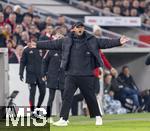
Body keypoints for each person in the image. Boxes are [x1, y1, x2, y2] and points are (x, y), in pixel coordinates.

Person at [30, 22, 129, 126]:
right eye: (78, 27)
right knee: (67, 97)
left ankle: (98, 117)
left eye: (82, 27)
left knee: (90, 97)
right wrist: (37, 44)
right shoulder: (66, 40)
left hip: (86, 74)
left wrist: (118, 41)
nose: (80, 29)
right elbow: (52, 44)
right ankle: (63, 119)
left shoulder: (91, 40)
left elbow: (105, 42)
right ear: (73, 29)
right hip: (71, 74)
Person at [41, 32, 65, 124]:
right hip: (52, 77)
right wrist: (43, 74)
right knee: (51, 98)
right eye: (58, 38)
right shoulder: (50, 50)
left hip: (63, 78)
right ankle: (48, 117)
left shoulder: (66, 51)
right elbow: (44, 62)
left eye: (61, 38)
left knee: (64, 99)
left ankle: (63, 118)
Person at [19, 42, 46, 118]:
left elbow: (46, 61)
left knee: (43, 92)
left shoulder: (41, 49)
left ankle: (37, 108)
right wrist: (20, 73)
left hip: (41, 75)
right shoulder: (26, 50)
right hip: (31, 76)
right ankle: (32, 111)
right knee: (32, 94)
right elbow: (22, 62)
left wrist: (46, 73)